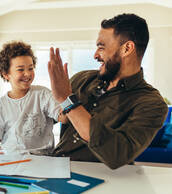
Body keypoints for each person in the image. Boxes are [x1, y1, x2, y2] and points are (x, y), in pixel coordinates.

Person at [47, 13, 168, 169]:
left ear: (127, 48)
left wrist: (68, 100)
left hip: (107, 181)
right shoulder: (81, 80)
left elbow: (118, 154)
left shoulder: (152, 104)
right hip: (56, 170)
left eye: (101, 47)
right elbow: (45, 117)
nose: (95, 55)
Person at [0, 41, 67, 155]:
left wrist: (64, 96)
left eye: (30, 68)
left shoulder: (42, 94)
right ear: (6, 74)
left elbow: (64, 118)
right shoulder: (0, 105)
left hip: (42, 159)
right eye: (21, 69)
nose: (27, 74)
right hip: (10, 160)